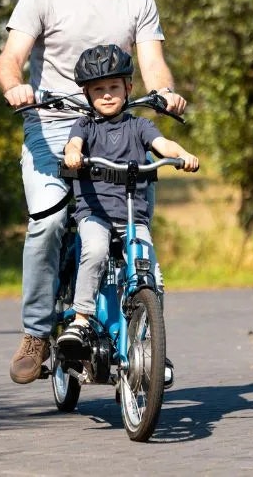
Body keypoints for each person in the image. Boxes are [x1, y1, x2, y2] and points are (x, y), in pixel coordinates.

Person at [0, 0, 187, 385]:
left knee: (134, 229)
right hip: (54, 128)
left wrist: (164, 93)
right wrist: (16, 87)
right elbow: (11, 57)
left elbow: (152, 63)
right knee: (50, 223)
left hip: (118, 131)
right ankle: (36, 334)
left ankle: (143, 335)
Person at [57, 45, 198, 356]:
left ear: (128, 88)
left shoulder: (139, 126)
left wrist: (183, 155)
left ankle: (150, 339)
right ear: (87, 94)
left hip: (133, 217)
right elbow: (74, 143)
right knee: (94, 251)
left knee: (149, 271)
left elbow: (163, 144)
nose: (107, 95)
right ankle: (81, 319)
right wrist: (73, 155)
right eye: (99, 90)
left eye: (113, 87)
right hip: (95, 214)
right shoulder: (86, 126)